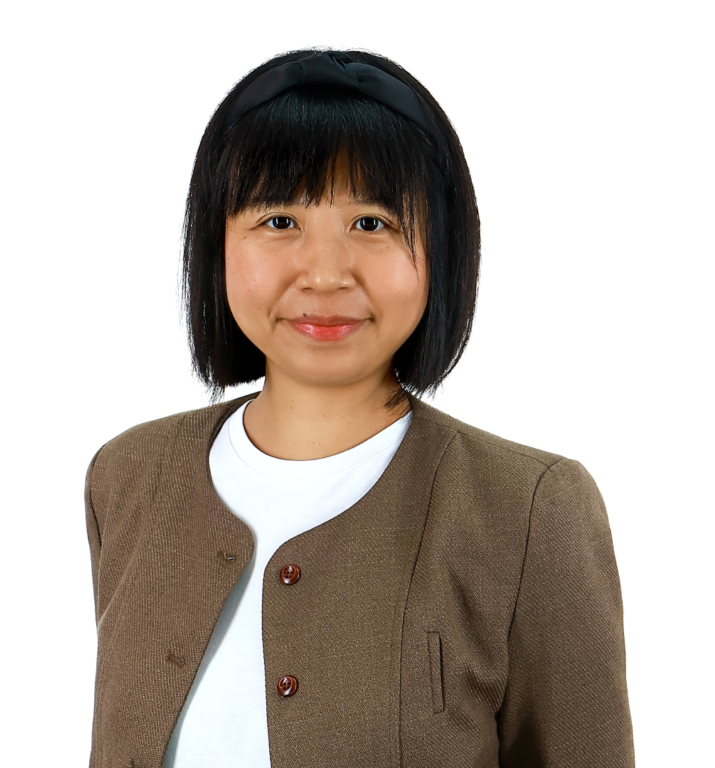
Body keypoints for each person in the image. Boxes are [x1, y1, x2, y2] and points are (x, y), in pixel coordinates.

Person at [84, 48, 635, 768]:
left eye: (372, 223)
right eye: (279, 220)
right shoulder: (129, 477)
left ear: (441, 249)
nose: (324, 272)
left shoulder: (529, 509)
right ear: (215, 246)